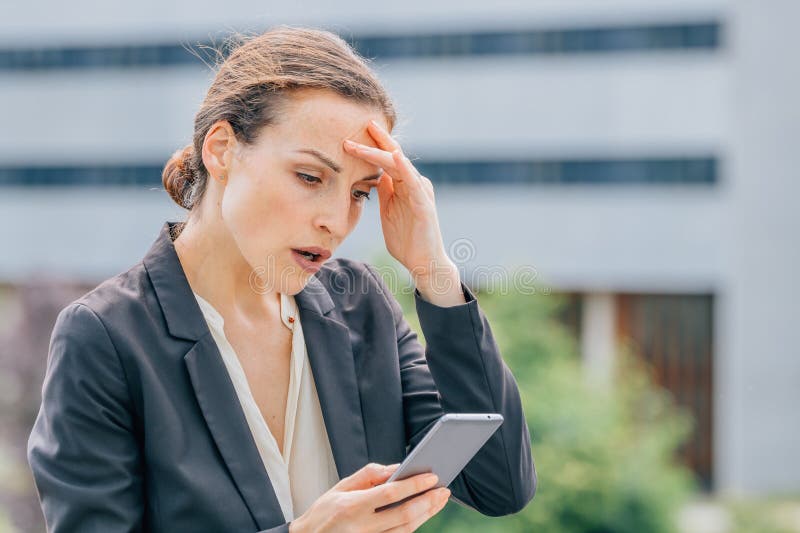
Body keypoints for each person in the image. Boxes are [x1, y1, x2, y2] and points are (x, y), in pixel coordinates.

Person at [26, 25, 536, 532]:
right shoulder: (106, 337)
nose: (337, 221)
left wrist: (433, 271)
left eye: (360, 192)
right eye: (311, 177)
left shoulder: (361, 306)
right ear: (222, 149)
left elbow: (500, 485)